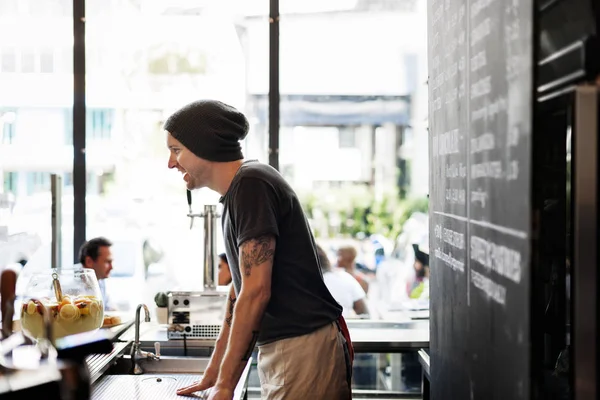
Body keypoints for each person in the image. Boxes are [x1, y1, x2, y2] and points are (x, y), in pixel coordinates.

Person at [165, 100, 353, 400]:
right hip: (289, 350)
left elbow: (256, 292)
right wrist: (213, 375)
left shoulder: (252, 185)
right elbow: (240, 291)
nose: (171, 163)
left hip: (301, 350)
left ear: (205, 146)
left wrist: (226, 384)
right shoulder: (239, 191)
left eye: (176, 150)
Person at [315, 244, 369, 317]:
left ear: (350, 258)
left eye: (339, 255)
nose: (337, 259)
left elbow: (363, 313)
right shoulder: (346, 278)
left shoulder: (357, 280)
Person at [77, 237, 115, 310]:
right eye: (107, 262)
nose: (112, 267)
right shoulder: (69, 286)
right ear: (89, 262)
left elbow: (108, 308)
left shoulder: (99, 279)